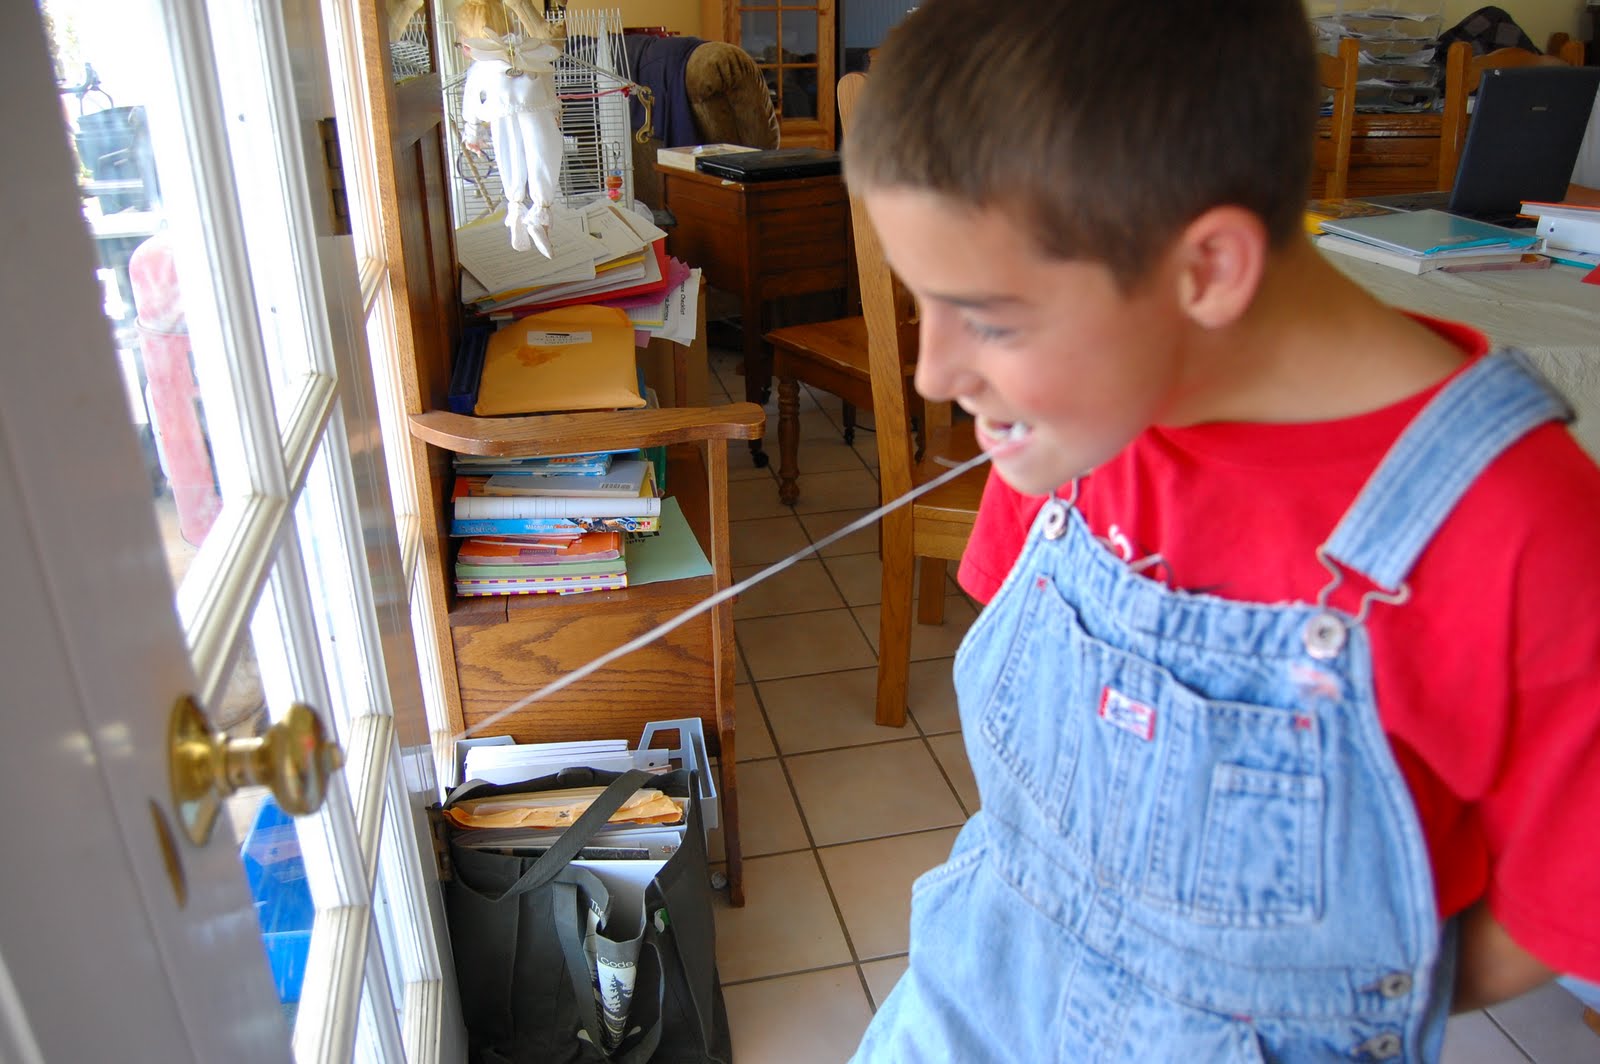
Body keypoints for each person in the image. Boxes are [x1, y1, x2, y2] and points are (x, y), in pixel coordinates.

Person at [843, 1, 1600, 1060]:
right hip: (964, 1010)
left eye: (993, 318)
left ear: (1204, 270)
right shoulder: (1075, 428)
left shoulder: (1531, 540)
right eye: (924, 302)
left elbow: (1557, 912)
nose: (933, 375)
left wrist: (1306, 993)